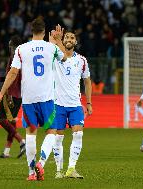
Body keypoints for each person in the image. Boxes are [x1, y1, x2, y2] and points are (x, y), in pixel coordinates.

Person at [0, 17, 66, 181]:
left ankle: (31, 173)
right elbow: (65, 59)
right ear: (45, 31)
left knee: (31, 134)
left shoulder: (21, 49)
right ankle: (41, 162)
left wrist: (0, 93)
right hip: (46, 97)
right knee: (51, 132)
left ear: (30, 30)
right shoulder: (51, 48)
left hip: (28, 99)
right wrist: (58, 40)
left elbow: (12, 73)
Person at [52, 31, 92, 179]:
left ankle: (71, 169)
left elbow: (87, 81)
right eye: (67, 37)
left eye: (72, 38)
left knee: (78, 134)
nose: (69, 39)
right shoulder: (55, 57)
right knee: (58, 138)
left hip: (75, 105)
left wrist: (88, 102)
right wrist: (55, 41)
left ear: (75, 42)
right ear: (63, 40)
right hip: (58, 104)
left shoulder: (82, 60)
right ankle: (58, 170)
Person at [0, 35, 26, 159]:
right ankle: (6, 151)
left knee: (1, 119)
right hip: (20, 94)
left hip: (11, 93)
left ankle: (22, 141)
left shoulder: (13, 57)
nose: (9, 48)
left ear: (13, 46)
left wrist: (7, 93)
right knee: (12, 121)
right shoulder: (24, 58)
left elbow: (12, 76)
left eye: (10, 46)